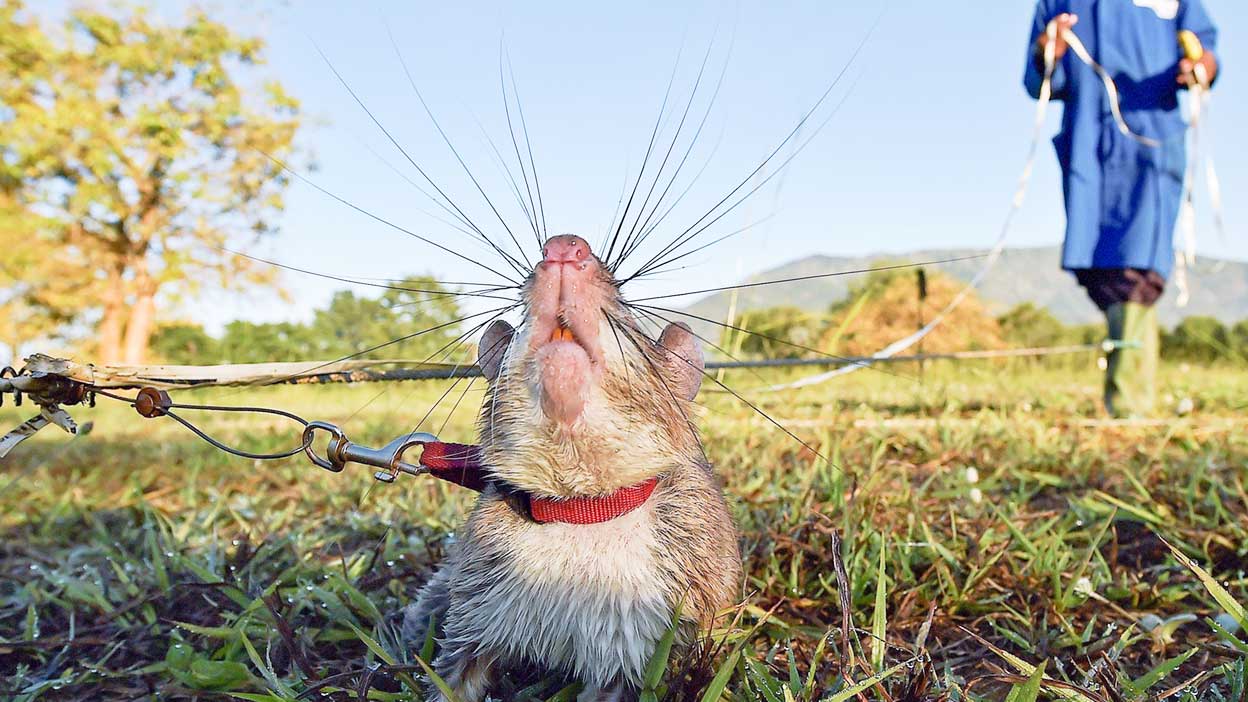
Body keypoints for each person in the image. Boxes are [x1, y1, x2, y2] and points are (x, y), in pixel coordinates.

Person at [1023, 1, 1219, 417]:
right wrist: (1049, 49)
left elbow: (1206, 52)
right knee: (1102, 267)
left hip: (1152, 140)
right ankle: (1126, 386)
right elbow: (1035, 77)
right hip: (1089, 145)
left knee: (1139, 267)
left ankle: (1130, 402)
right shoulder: (1059, 3)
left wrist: (1200, 66)